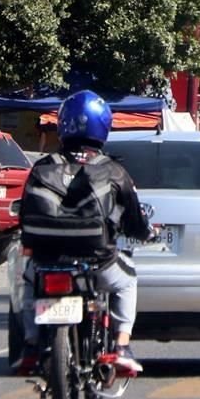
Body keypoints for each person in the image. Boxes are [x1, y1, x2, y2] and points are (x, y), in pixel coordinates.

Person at [14, 90, 151, 375]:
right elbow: (135, 218)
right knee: (127, 282)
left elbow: (24, 213)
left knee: (27, 282)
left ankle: (30, 345)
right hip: (97, 260)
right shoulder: (113, 170)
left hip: (47, 260)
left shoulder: (42, 166)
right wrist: (143, 232)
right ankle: (122, 346)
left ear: (63, 125)